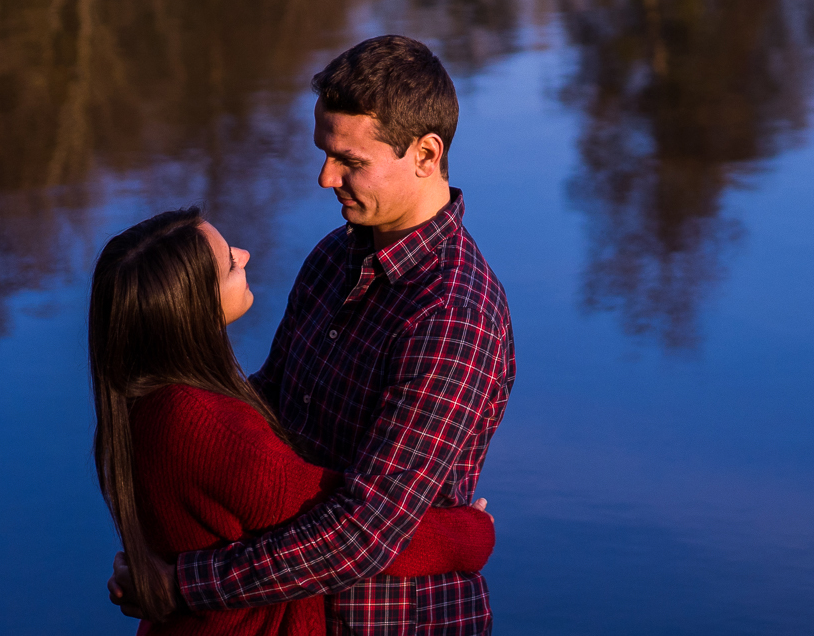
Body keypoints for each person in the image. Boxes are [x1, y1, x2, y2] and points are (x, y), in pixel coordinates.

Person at [112, 35, 517, 636]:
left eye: (351, 161)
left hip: (387, 620)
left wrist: (182, 585)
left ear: (426, 155)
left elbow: (366, 531)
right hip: (285, 610)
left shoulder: (453, 315)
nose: (326, 178)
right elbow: (273, 405)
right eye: (325, 153)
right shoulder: (334, 257)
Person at [88, 206, 496, 636]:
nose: (244, 255)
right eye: (229, 263)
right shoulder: (204, 422)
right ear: (192, 306)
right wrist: (468, 532)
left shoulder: (147, 398)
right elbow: (353, 530)